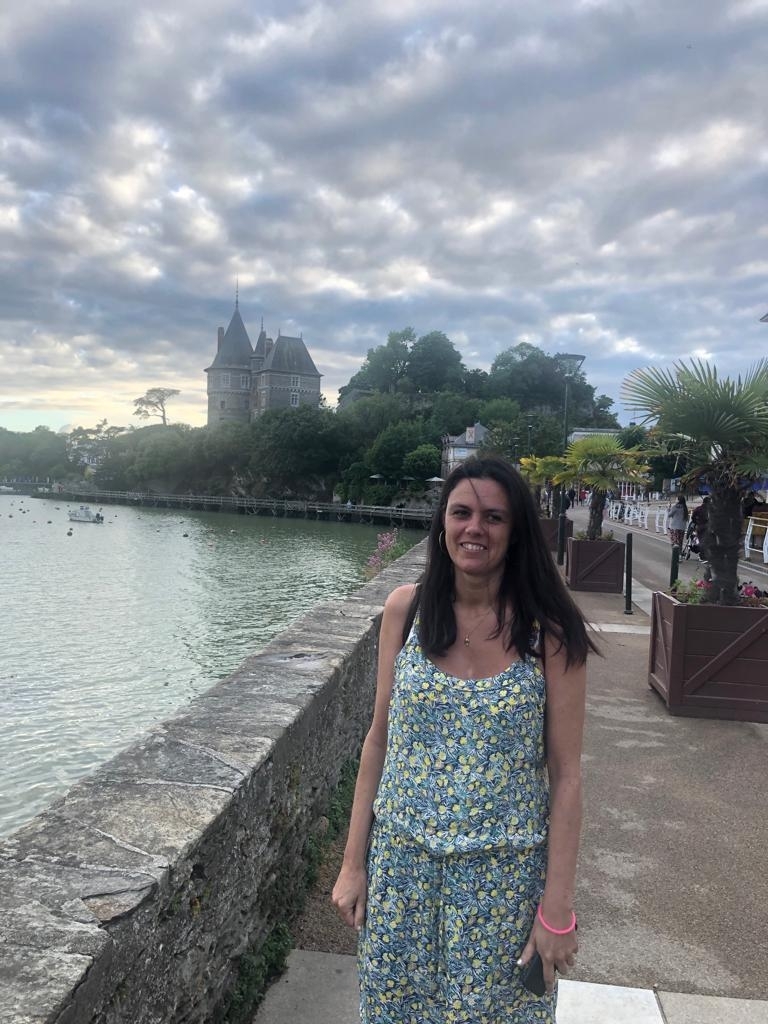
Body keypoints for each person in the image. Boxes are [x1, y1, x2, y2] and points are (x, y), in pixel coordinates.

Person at [332, 456, 595, 1023]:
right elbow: (379, 740)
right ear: (443, 523)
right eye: (461, 513)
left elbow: (567, 775)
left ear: (516, 531)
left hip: (502, 884)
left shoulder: (548, 634)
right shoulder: (406, 611)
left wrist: (557, 909)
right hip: (401, 873)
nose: (475, 528)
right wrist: (354, 864)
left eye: (493, 517)